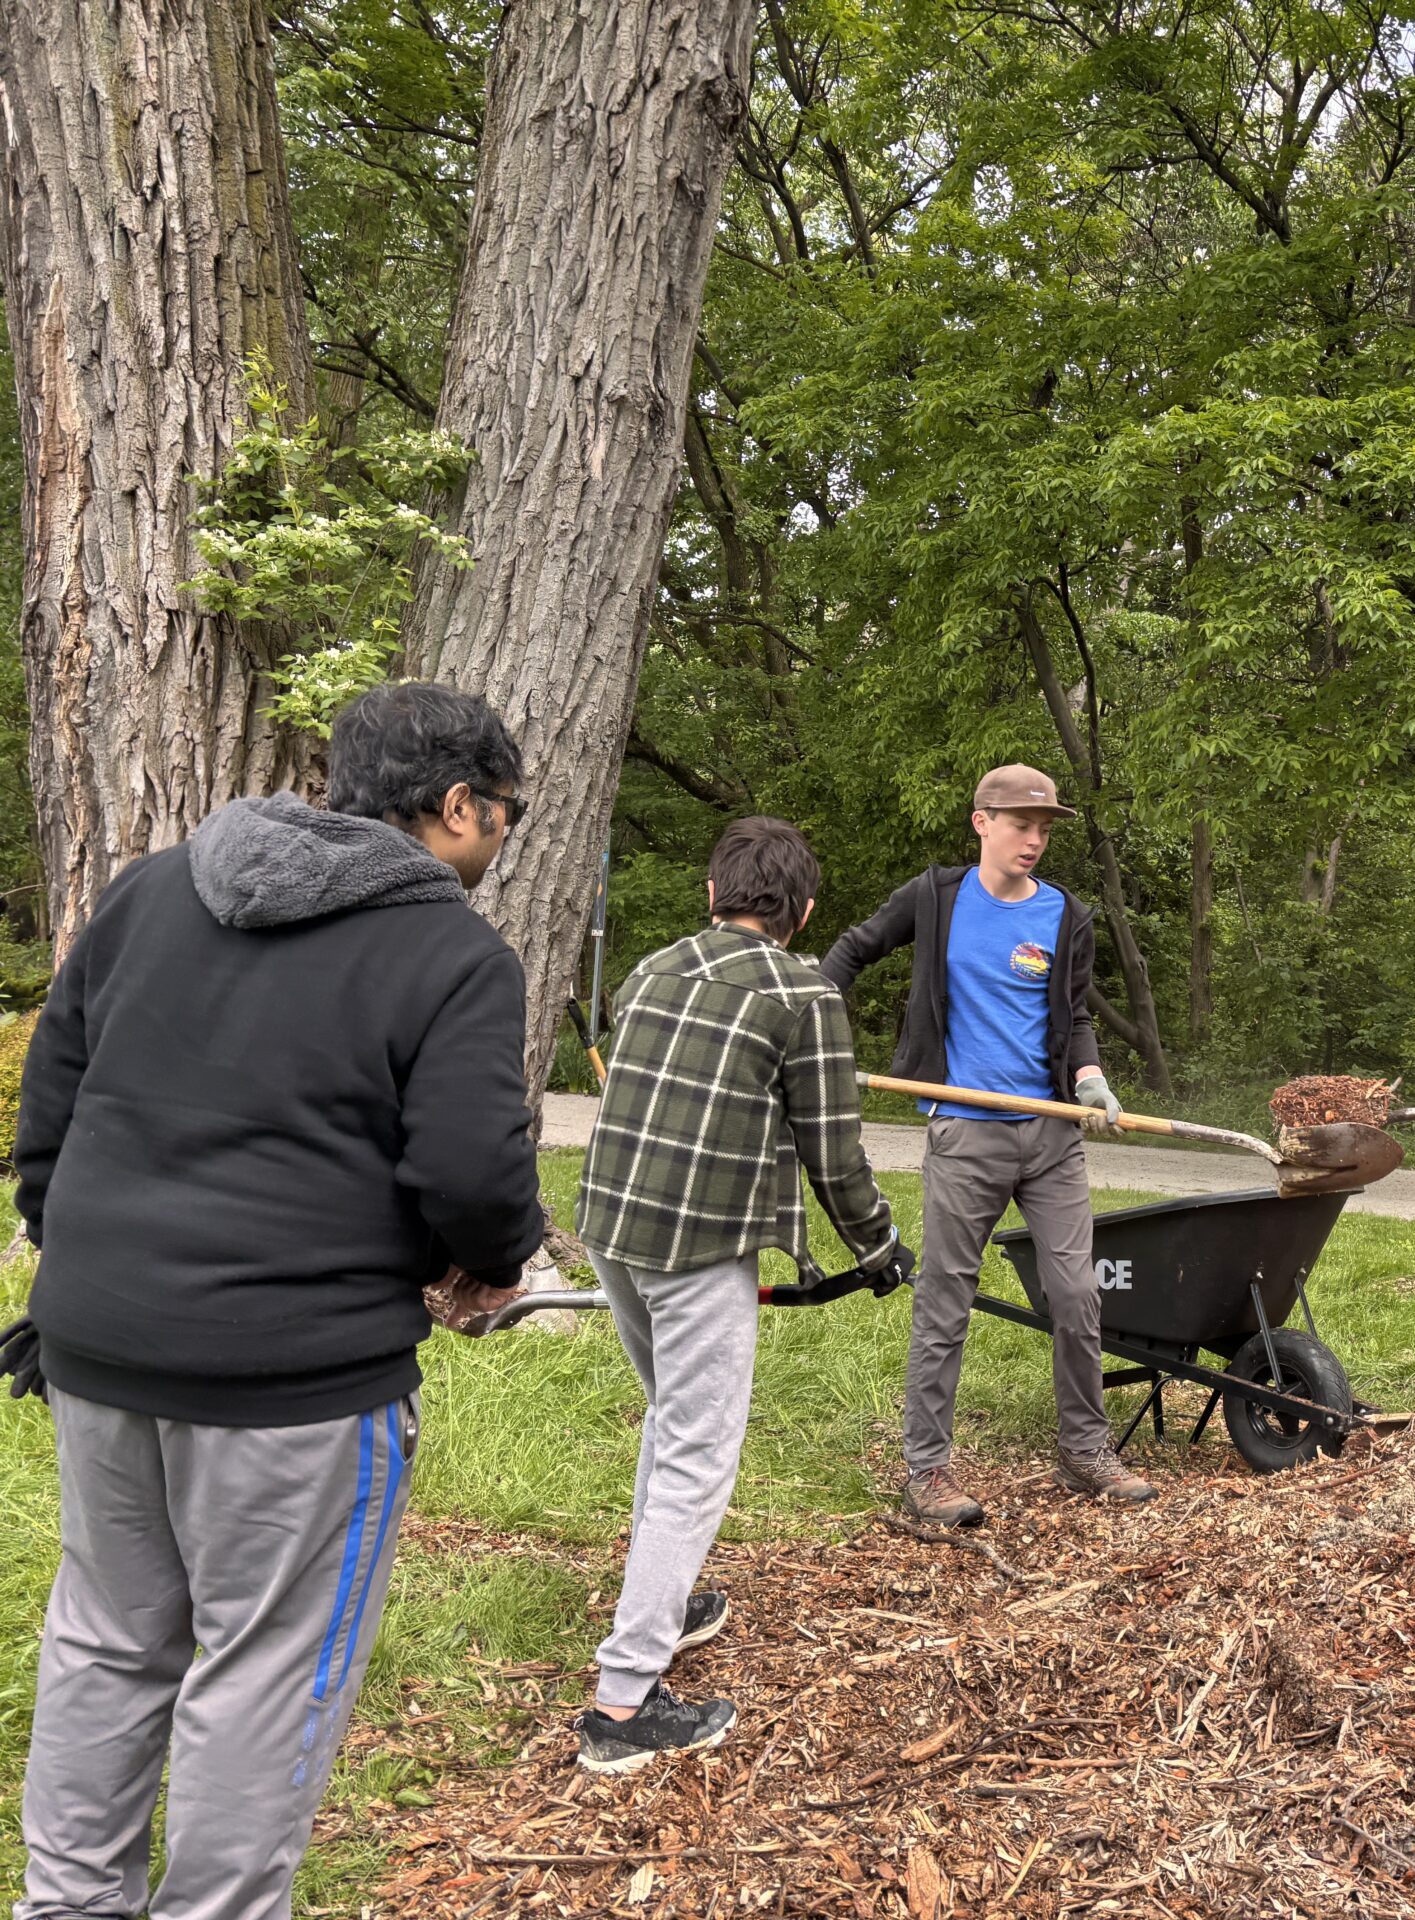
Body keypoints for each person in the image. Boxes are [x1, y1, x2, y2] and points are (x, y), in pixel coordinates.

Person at [3, 681, 546, 1920]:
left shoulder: (155, 889)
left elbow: (54, 1101)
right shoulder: (452, 949)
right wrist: (487, 1262)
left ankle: (68, 1905)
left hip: (98, 1344)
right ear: (457, 806)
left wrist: (81, 1254)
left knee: (106, 1637)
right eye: (504, 814)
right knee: (264, 1674)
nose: (503, 840)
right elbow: (473, 1172)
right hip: (294, 1385)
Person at [573, 815, 915, 1774]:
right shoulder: (803, 996)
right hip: (695, 1246)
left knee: (668, 1421)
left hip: (611, 1229)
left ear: (710, 893)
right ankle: (623, 1704)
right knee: (695, 1451)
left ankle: (664, 1600)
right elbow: (836, 1155)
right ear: (803, 912)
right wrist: (880, 1246)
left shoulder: (652, 968)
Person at [820, 764, 1152, 1525]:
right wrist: (810, 1015)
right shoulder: (936, 898)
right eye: (1020, 824)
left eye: (1044, 828)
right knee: (946, 1298)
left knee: (1076, 1293)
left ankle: (1085, 1450)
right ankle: (928, 1471)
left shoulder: (1067, 915)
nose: (1035, 840)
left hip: (1052, 1134)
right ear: (982, 822)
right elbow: (852, 950)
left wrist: (1092, 1079)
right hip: (966, 1132)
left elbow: (1072, 1019)